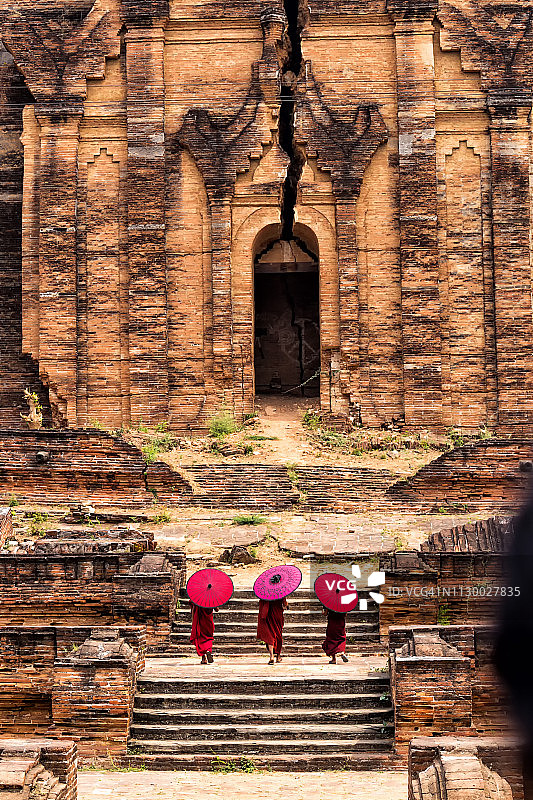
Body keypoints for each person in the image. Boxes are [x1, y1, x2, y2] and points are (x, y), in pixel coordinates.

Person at [257, 597, 288, 664]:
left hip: (268, 614)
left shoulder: (265, 593)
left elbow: (262, 602)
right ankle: (278, 656)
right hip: (277, 614)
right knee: (278, 634)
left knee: (269, 634)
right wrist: (286, 604)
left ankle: (272, 656)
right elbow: (285, 605)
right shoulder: (280, 592)